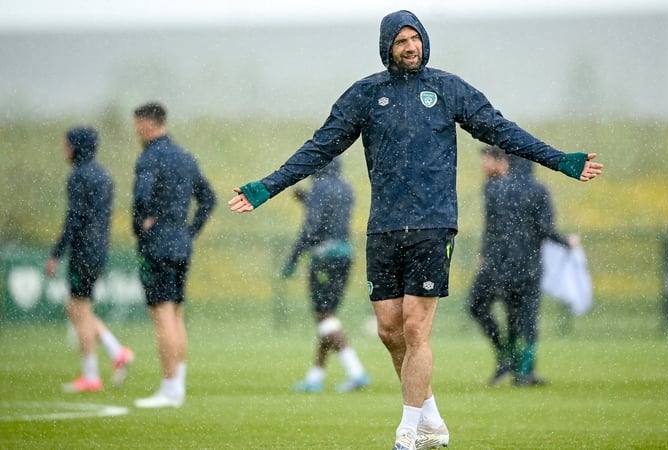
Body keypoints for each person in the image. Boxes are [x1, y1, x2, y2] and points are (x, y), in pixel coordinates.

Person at [228, 10, 602, 449]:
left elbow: (502, 129)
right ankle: (432, 421)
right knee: (389, 331)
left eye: (416, 38)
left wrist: (560, 160)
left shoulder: (447, 89)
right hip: (384, 228)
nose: (411, 46)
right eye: (402, 40)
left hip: (433, 224)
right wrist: (266, 187)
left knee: (415, 327)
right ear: (388, 46)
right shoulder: (366, 94)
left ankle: (408, 432)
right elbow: (318, 149)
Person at [469, 147, 578, 388]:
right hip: (528, 264)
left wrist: (486, 253)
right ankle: (524, 371)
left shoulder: (493, 189)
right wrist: (566, 241)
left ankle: (507, 358)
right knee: (525, 316)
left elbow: (492, 227)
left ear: (506, 161)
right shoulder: (538, 191)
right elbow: (545, 229)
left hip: (499, 264)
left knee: (499, 310)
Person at [131, 102, 216, 408]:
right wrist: (189, 231)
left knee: (163, 313)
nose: (135, 131)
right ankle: (176, 385)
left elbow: (142, 196)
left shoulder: (150, 157)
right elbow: (209, 199)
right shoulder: (184, 156)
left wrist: (145, 220)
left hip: (158, 244)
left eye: (136, 125)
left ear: (146, 124)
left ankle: (169, 389)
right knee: (176, 313)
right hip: (181, 243)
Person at [47, 126, 135, 393]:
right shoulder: (103, 175)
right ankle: (116, 351)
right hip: (98, 248)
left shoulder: (79, 176)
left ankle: (91, 376)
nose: (63, 148)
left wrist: (56, 253)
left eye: (66, 144)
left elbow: (74, 219)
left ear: (76, 146)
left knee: (79, 309)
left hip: (83, 250)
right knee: (77, 308)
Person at [282, 157, 370, 394]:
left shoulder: (319, 187)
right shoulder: (345, 187)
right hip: (345, 254)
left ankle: (356, 371)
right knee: (328, 318)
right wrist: (307, 201)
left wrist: (293, 258)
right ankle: (316, 376)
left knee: (324, 316)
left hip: (324, 257)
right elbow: (332, 215)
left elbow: (313, 225)